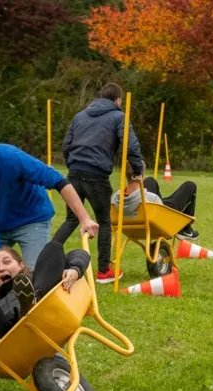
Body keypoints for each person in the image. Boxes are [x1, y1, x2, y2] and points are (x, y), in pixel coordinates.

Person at [0, 121, 98, 375]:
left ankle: (50, 351)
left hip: (31, 219)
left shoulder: (8, 157)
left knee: (37, 278)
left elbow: (58, 181)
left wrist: (85, 218)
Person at [52, 82, 145, 283]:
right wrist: (137, 169)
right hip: (97, 176)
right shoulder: (119, 116)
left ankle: (46, 259)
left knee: (72, 219)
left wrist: (73, 164)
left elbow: (66, 145)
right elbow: (130, 144)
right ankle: (104, 271)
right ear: (118, 100)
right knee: (104, 222)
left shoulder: (80, 116)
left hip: (74, 174)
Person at [0, 241, 91, 371]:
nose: (1, 268)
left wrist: (75, 269)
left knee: (54, 246)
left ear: (21, 265)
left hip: (38, 316)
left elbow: (79, 254)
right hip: (3, 335)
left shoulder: (37, 277)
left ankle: (32, 301)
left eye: (7, 262)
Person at [111, 166, 200, 241]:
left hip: (133, 222)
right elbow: (162, 216)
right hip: (155, 221)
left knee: (150, 180)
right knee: (190, 185)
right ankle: (185, 229)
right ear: (138, 176)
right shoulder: (152, 198)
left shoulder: (115, 198)